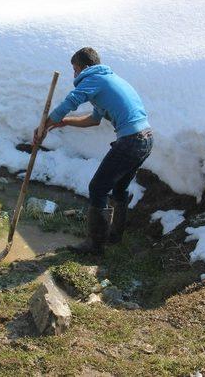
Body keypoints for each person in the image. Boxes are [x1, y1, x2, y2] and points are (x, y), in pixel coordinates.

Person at [34, 47, 153, 254]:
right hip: (145, 139)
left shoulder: (94, 79)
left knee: (98, 188)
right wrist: (64, 122)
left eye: (75, 69)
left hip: (131, 141)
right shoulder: (107, 80)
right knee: (119, 189)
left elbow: (71, 102)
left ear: (86, 67)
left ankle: (95, 245)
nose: (74, 74)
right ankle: (114, 236)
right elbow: (94, 119)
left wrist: (44, 124)